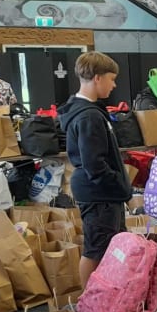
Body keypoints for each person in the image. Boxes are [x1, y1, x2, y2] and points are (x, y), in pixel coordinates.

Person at [59, 52, 131, 287]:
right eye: (111, 78)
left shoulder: (89, 112)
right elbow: (95, 165)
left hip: (101, 192)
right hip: (99, 194)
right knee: (96, 249)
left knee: (108, 246)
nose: (114, 84)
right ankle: (90, 305)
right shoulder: (89, 116)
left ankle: (105, 298)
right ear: (97, 78)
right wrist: (120, 186)